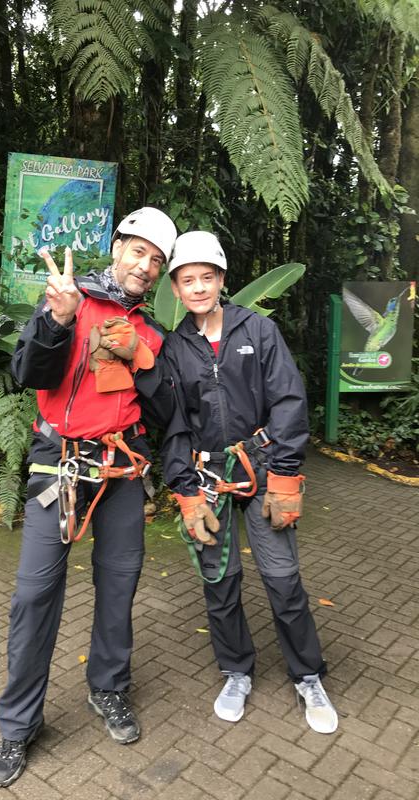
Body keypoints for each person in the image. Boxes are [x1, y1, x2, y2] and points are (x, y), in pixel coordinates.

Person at [0, 207, 178, 788]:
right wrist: (58, 320)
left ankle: (109, 688)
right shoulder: (68, 298)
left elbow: (166, 413)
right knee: (34, 594)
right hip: (59, 466)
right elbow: (27, 371)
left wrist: (141, 362)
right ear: (116, 246)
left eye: (156, 260)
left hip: (120, 470)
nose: (144, 266)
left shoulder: (150, 330)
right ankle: (19, 725)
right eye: (137, 251)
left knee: (120, 581)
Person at [160, 231, 338, 735]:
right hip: (207, 474)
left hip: (260, 467)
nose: (198, 287)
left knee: (283, 578)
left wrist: (284, 475)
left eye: (206, 277)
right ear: (175, 288)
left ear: (221, 279)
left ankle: (308, 675)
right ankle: (236, 669)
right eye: (187, 280)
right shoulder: (175, 347)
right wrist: (185, 489)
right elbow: (174, 422)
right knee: (220, 581)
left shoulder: (257, 330)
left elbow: (287, 400)